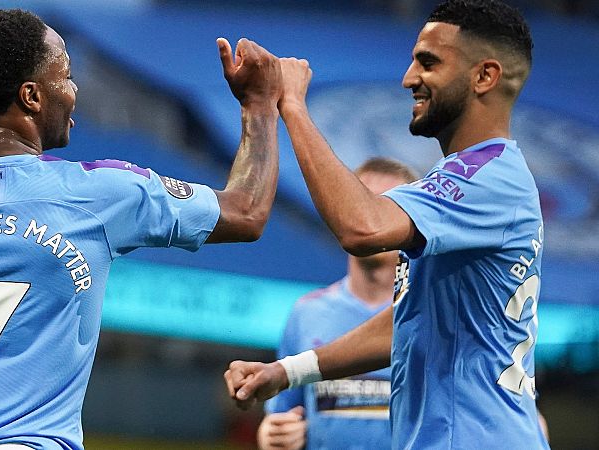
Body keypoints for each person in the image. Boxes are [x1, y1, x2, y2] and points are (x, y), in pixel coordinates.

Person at [0, 9, 282, 450]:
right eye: (65, 76)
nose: (74, 91)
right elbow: (247, 212)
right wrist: (259, 105)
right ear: (32, 96)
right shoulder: (102, 194)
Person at [225, 1, 550, 448]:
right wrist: (286, 371)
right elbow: (410, 322)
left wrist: (293, 105)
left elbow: (362, 228)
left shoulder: (486, 178)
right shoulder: (481, 180)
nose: (409, 78)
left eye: (428, 62)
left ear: (484, 76)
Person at [258, 158, 416, 450]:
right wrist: (275, 435)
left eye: (387, 207)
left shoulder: (427, 316)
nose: (371, 219)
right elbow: (281, 416)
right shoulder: (307, 313)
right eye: (361, 203)